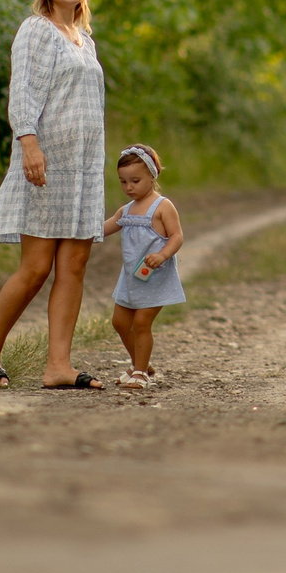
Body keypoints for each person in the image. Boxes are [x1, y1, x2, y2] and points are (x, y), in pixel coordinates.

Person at [0, 0, 107, 391]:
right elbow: (23, 92)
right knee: (35, 267)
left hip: (83, 168)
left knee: (75, 265)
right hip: (45, 162)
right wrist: (28, 142)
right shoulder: (37, 31)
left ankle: (58, 367)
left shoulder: (83, 39)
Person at [100, 142, 184, 388]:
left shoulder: (163, 206)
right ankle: (141, 362)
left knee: (141, 323)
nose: (129, 187)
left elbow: (177, 236)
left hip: (154, 276)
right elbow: (106, 227)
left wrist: (163, 254)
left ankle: (140, 372)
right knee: (119, 321)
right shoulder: (126, 210)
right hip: (130, 277)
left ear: (152, 176)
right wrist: (84, 231)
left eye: (135, 181)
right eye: (123, 182)